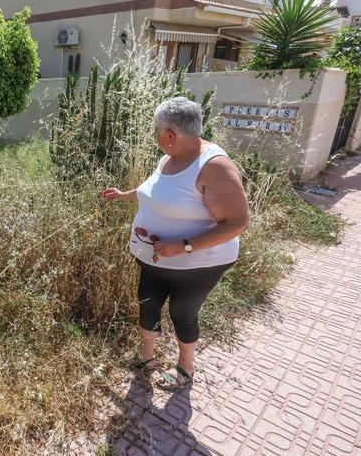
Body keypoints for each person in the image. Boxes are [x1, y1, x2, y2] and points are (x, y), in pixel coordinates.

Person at [100, 97, 249, 391]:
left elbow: (238, 223)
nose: (155, 138)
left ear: (170, 135)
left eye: (156, 133)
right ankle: (145, 357)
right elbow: (154, 191)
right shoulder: (170, 155)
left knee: (182, 313)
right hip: (156, 259)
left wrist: (183, 246)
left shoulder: (214, 167)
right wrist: (123, 195)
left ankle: (185, 368)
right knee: (148, 302)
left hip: (198, 263)